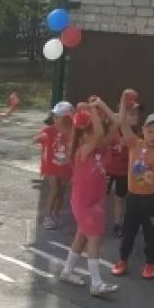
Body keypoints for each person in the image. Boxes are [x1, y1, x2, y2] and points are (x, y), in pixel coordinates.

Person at [59, 98, 118, 297]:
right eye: (92, 132)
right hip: (85, 202)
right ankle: (96, 282)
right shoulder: (82, 151)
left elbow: (116, 123)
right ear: (84, 136)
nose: (98, 135)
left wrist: (101, 104)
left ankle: (67, 271)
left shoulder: (101, 149)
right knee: (94, 239)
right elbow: (101, 132)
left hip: (96, 200)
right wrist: (92, 109)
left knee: (82, 237)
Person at [111, 96, 154, 280]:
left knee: (151, 235)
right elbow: (122, 123)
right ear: (144, 130)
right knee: (128, 232)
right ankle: (122, 260)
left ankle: (150, 264)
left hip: (152, 200)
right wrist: (122, 100)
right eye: (150, 131)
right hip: (134, 198)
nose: (153, 136)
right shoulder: (134, 144)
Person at [35, 101, 75, 229]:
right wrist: (42, 137)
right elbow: (38, 138)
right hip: (52, 166)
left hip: (65, 167)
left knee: (61, 192)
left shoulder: (73, 132)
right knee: (54, 190)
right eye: (55, 116)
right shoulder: (50, 130)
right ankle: (47, 216)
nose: (55, 119)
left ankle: (55, 214)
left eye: (59, 117)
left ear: (68, 119)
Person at [104, 96, 138, 236]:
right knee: (99, 195)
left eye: (137, 114)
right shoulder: (112, 129)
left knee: (119, 198)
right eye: (131, 114)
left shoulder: (137, 134)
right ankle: (94, 220)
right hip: (107, 169)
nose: (136, 116)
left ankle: (118, 223)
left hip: (123, 172)